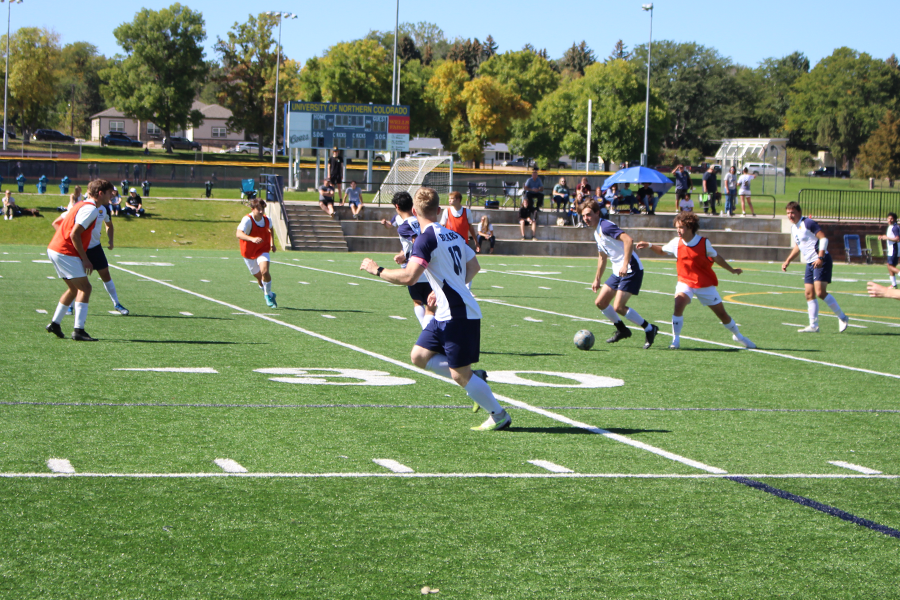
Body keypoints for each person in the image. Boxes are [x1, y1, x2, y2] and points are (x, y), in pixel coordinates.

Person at [360, 186, 511, 431]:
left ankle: (499, 414)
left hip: (458, 314)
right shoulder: (450, 233)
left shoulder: (425, 238)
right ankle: (476, 378)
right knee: (419, 356)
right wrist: (447, 287)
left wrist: (376, 270)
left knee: (459, 375)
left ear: (415, 211)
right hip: (448, 311)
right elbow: (474, 267)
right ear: (439, 210)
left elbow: (409, 277)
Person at [636, 212, 756, 350]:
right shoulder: (676, 242)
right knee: (679, 303)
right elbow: (662, 251)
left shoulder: (704, 243)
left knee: (722, 314)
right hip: (685, 281)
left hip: (703, 283)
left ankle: (738, 336)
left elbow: (717, 258)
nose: (678, 230)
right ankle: (675, 339)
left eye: (681, 227)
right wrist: (650, 245)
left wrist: (732, 270)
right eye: (676, 227)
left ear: (690, 227)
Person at [45, 178, 115, 342]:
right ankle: (79, 330)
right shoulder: (90, 209)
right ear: (100, 193)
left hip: (55, 249)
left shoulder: (81, 204)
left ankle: (55, 323)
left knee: (74, 289)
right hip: (64, 251)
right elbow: (74, 234)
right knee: (85, 288)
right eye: (109, 193)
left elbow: (61, 224)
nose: (111, 196)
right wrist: (85, 259)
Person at [581, 200, 658, 348]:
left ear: (597, 213)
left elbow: (628, 240)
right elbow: (602, 257)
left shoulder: (606, 226)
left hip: (631, 269)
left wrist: (624, 264)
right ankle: (622, 330)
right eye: (584, 216)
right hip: (618, 271)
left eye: (589, 214)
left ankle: (650, 329)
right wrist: (597, 279)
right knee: (601, 302)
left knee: (619, 307)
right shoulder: (597, 231)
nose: (586, 218)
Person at [54, 188, 130, 316]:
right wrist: (66, 239)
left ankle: (116, 303)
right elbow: (57, 223)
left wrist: (110, 240)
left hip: (95, 247)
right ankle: (70, 307)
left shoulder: (103, 209)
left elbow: (109, 225)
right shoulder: (80, 208)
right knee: (76, 279)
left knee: (105, 274)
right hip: (79, 248)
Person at [781, 201, 849, 333]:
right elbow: (798, 246)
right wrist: (788, 260)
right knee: (809, 293)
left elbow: (824, 239)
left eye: (792, 212)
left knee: (820, 292)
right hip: (810, 263)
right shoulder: (794, 227)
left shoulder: (808, 223)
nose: (790, 215)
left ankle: (842, 317)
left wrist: (820, 257)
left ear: (799, 212)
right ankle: (813, 325)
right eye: (788, 213)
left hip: (821, 261)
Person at [380, 191, 436, 329]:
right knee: (432, 305)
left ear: (397, 207)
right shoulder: (423, 220)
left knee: (418, 302)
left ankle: (427, 332)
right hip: (431, 268)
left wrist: (408, 257)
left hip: (415, 268)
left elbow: (418, 242)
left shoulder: (404, 226)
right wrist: (404, 254)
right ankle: (431, 332)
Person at [236, 199, 278, 308]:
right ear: (252, 209)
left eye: (262, 209)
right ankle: (269, 292)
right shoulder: (247, 220)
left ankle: (267, 295)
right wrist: (252, 239)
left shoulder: (267, 219)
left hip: (262, 249)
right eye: (258, 209)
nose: (261, 211)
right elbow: (238, 233)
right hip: (248, 253)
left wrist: (272, 243)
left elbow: (271, 228)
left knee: (265, 272)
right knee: (259, 278)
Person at [878, 212, 899, 288]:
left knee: (890, 266)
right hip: (891, 250)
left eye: (892, 218)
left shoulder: (895, 227)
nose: (890, 220)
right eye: (889, 218)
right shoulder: (890, 227)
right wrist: (883, 236)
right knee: (890, 266)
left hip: (894, 250)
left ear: (895, 219)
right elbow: (890, 236)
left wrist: (887, 238)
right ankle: (894, 284)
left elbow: (897, 238)